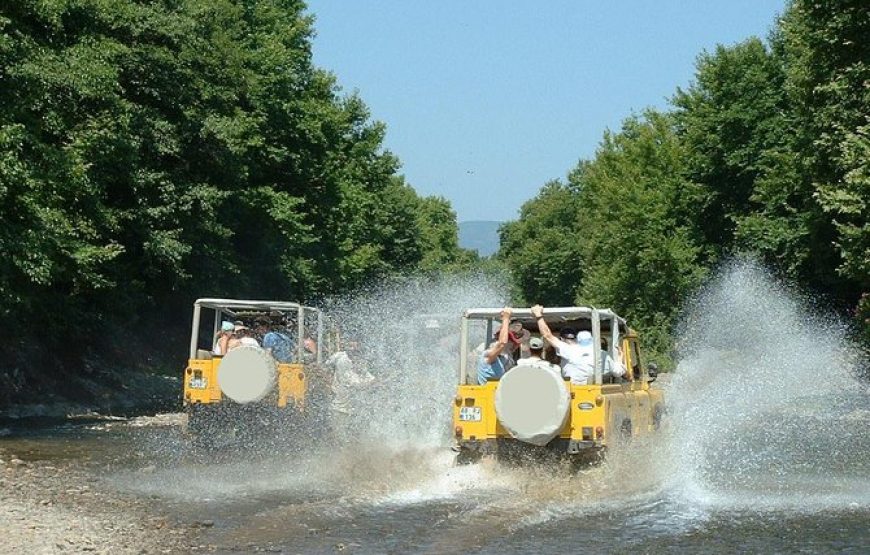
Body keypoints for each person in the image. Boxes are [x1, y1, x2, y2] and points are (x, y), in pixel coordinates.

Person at [531, 305, 595, 385]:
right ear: (575, 338)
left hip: (574, 387)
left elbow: (547, 335)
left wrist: (538, 315)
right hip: (591, 385)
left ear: (561, 339)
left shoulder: (567, 349)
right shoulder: (592, 350)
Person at [477, 307, 514, 385]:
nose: (510, 346)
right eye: (509, 342)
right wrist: (506, 318)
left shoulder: (501, 359)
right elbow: (502, 344)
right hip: (487, 394)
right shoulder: (487, 356)